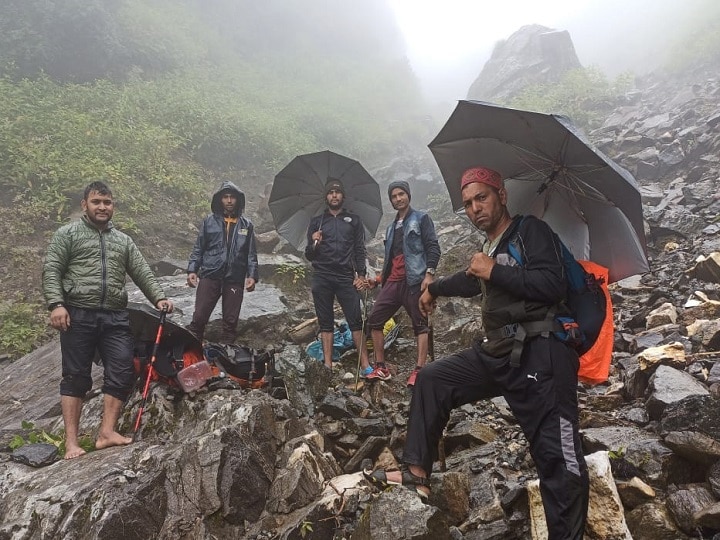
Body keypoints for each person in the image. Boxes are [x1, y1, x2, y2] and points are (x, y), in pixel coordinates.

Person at [365, 167, 589, 539]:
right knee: (433, 379)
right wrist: (434, 290)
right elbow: (469, 281)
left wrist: (493, 271)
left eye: (481, 198)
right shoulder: (491, 248)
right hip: (499, 351)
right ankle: (416, 472)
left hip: (541, 352)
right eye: (468, 203)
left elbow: (552, 284)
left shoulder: (531, 231)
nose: (474, 208)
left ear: (501, 195)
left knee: (556, 456)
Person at [42, 180, 174, 460]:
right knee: (76, 376)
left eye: (107, 202)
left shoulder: (123, 241)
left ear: (113, 205)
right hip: (77, 313)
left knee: (123, 368)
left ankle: (106, 433)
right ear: (84, 205)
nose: (102, 207)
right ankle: (71, 443)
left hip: (114, 315)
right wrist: (56, 304)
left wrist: (158, 298)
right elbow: (52, 269)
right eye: (96, 202)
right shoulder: (68, 234)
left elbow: (142, 272)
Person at [365, 180, 441, 386]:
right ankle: (380, 367)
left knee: (420, 323)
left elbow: (433, 247)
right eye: (394, 196)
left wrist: (429, 274)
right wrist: (379, 279)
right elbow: (391, 258)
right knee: (375, 319)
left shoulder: (421, 218)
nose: (398, 199)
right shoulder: (390, 229)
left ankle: (420, 370)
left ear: (408, 195)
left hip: (414, 280)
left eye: (401, 194)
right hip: (393, 282)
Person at [305, 178, 372, 374]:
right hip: (322, 275)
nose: (334, 195)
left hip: (345, 276)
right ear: (326, 197)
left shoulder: (354, 220)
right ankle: (327, 365)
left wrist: (361, 275)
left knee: (355, 319)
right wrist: (314, 242)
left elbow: (360, 249)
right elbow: (309, 255)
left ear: (343, 196)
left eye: (337, 192)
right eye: (331, 192)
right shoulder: (317, 222)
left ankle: (365, 364)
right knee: (325, 320)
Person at [186, 181, 259, 343]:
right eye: (225, 197)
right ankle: (191, 356)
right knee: (198, 318)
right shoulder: (208, 222)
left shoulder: (246, 225)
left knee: (230, 323)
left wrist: (252, 275)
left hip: (234, 277)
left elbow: (251, 253)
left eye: (232, 197)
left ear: (238, 200)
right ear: (220, 200)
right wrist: (192, 270)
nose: (229, 201)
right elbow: (199, 248)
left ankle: (226, 359)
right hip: (210, 273)